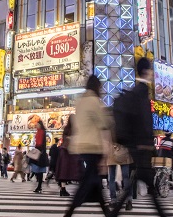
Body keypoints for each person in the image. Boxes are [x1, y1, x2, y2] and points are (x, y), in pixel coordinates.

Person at [109, 58, 169, 217]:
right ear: (147, 71)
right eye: (150, 70)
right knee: (147, 183)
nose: (151, 74)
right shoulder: (141, 92)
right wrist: (147, 143)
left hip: (137, 147)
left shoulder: (139, 91)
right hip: (142, 148)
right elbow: (144, 120)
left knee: (137, 182)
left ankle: (115, 212)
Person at [64, 75, 110, 217]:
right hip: (93, 146)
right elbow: (103, 124)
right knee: (87, 182)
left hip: (81, 145)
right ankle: (70, 210)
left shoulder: (81, 101)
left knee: (94, 182)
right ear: (97, 87)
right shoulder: (94, 102)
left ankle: (107, 211)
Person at [55, 115, 81, 197]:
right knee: (77, 171)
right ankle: (81, 190)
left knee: (64, 171)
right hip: (73, 152)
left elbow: (64, 139)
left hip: (65, 151)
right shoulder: (76, 129)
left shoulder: (66, 129)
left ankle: (63, 189)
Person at [107, 138, 133, 208]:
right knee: (126, 177)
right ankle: (129, 200)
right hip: (124, 151)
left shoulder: (110, 127)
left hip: (112, 150)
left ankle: (113, 200)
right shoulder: (126, 127)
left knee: (112, 178)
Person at [30, 120, 49, 193]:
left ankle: (39, 186)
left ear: (40, 125)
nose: (36, 126)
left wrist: (38, 150)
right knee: (38, 170)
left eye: (37, 125)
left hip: (39, 153)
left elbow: (40, 143)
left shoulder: (41, 132)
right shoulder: (39, 132)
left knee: (39, 170)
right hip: (39, 152)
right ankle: (39, 186)